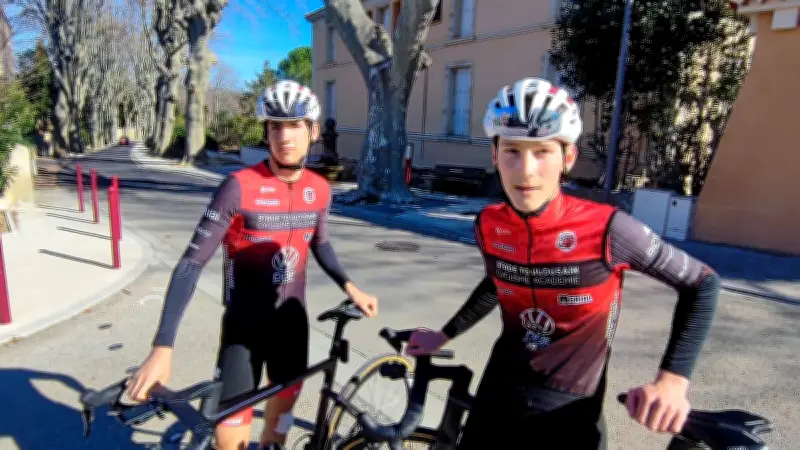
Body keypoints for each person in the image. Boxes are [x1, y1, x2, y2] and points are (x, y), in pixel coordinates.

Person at [406, 77, 720, 449]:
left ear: (567, 158)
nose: (525, 170)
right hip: (499, 388)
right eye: (512, 150)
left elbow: (702, 282)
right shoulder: (489, 224)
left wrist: (673, 379)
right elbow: (498, 281)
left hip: (568, 405)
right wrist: (445, 334)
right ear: (494, 155)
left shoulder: (609, 229)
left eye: (542, 151)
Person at [126, 80, 379, 450]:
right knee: (230, 440)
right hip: (244, 330)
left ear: (313, 131)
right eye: (275, 126)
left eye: (294, 125)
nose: (285, 136)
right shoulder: (238, 186)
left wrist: (349, 285)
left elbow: (320, 243)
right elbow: (190, 264)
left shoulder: (319, 188)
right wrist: (163, 346)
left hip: (292, 328)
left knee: (277, 431)